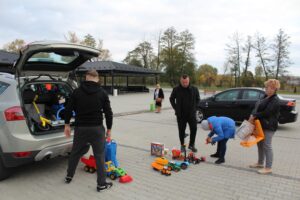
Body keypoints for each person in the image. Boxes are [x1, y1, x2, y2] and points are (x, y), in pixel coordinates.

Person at [64, 69, 113, 192]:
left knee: (75, 153)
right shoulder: (102, 93)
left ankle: (69, 176)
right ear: (96, 78)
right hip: (97, 129)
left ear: (86, 77)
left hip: (81, 128)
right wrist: (109, 129)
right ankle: (101, 184)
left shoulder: (76, 92)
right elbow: (108, 113)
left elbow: (68, 109)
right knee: (99, 156)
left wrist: (66, 125)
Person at [248, 79, 281, 174]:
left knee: (267, 146)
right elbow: (257, 107)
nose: (266, 89)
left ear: (274, 89)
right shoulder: (265, 97)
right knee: (260, 144)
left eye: (268, 87)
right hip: (261, 125)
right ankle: (260, 162)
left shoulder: (275, 100)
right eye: (266, 87)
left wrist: (255, 116)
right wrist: (252, 115)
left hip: (269, 126)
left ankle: (268, 167)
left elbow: (267, 112)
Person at [170, 74, 200, 152]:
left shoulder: (194, 89)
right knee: (181, 130)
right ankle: (182, 145)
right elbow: (171, 99)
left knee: (194, 129)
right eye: (183, 82)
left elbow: (198, 99)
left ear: (189, 80)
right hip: (181, 115)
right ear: (180, 81)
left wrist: (194, 108)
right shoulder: (176, 89)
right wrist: (176, 108)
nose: (185, 84)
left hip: (191, 114)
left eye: (186, 82)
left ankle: (191, 145)